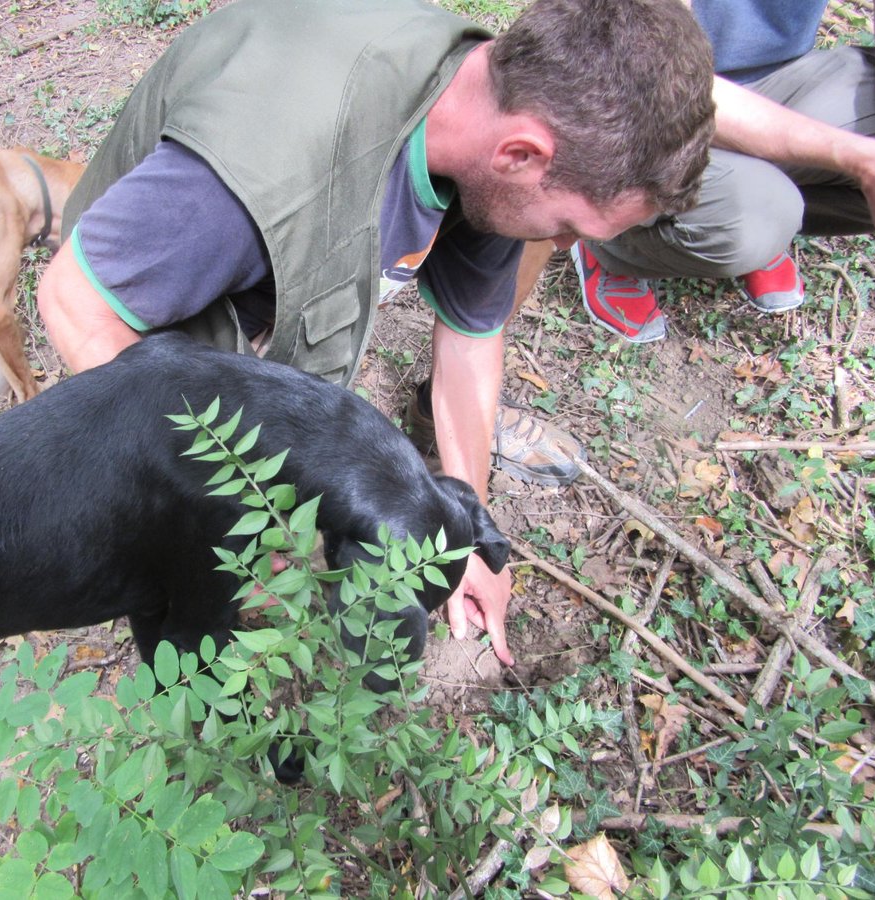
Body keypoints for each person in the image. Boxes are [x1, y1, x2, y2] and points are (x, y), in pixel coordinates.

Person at [37, 0, 716, 667]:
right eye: (571, 226)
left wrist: (461, 544)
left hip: (255, 222)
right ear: (521, 154)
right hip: (152, 280)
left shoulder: (490, 117)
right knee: (212, 533)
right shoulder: (258, 177)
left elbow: (471, 340)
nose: (562, 245)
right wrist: (211, 504)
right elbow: (76, 300)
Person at [572, 0, 875, 343]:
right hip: (642, 97)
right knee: (748, 228)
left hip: (778, 75)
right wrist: (863, 159)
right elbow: (652, 67)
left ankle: (760, 203)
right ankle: (611, 241)